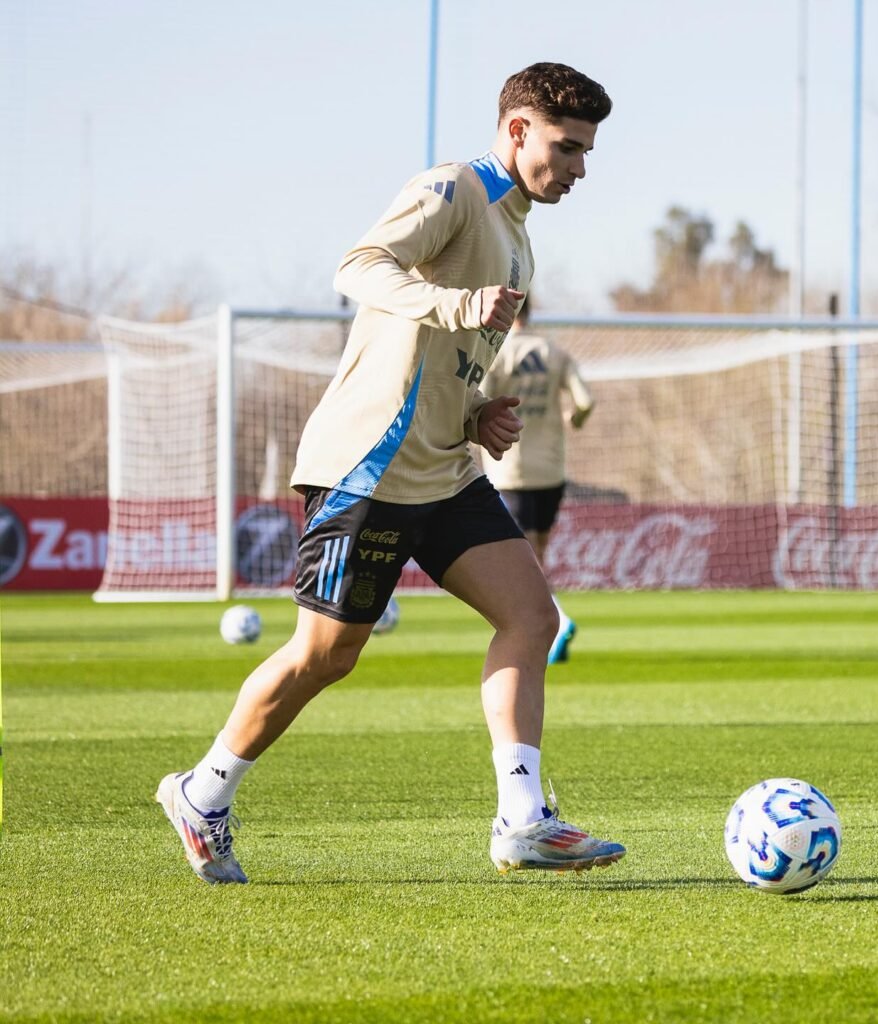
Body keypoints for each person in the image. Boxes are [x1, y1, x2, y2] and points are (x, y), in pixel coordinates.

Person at [156, 62, 625, 884]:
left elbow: (441, 360)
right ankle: (203, 793)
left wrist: (475, 412)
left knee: (532, 616)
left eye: (587, 151)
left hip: (442, 469)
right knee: (325, 657)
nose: (580, 166)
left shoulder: (518, 235)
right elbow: (359, 266)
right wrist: (454, 305)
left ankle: (522, 819)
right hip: (366, 464)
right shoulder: (452, 189)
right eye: (568, 147)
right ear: (517, 131)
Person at [479, 294, 594, 663]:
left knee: (523, 562)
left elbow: (475, 398)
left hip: (511, 469)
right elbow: (585, 401)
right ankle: (549, 627)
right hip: (551, 470)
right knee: (537, 555)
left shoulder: (495, 352)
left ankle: (557, 621)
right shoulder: (554, 353)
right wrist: (573, 420)